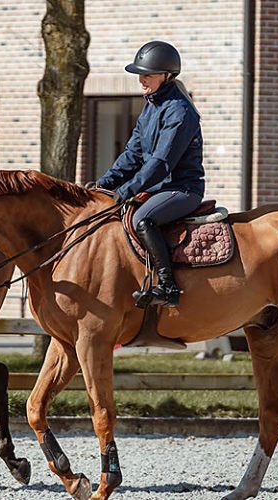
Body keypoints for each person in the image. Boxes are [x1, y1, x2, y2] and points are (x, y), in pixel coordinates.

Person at [96, 41, 205, 307]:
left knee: (143, 219)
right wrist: (104, 183)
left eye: (148, 74)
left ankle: (168, 287)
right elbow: (132, 154)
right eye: (140, 74)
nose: (142, 79)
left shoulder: (180, 111)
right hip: (157, 188)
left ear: (166, 75)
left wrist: (125, 191)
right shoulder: (151, 106)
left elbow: (161, 163)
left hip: (181, 189)